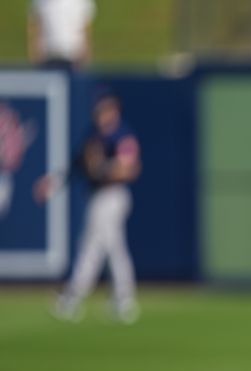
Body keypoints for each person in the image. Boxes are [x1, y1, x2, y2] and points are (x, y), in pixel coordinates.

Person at [34, 92, 141, 323]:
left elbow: (130, 168)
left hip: (112, 196)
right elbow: (76, 165)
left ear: (115, 111)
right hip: (97, 195)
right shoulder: (93, 136)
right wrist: (52, 182)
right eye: (100, 110)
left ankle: (72, 297)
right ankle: (124, 299)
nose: (102, 114)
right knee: (114, 248)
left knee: (91, 246)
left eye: (106, 110)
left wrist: (105, 168)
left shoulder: (121, 135)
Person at [28, 0, 96, 71]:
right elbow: (36, 27)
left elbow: (85, 30)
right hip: (48, 54)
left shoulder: (81, 2)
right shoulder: (40, 2)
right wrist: (35, 53)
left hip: (73, 55)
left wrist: (85, 55)